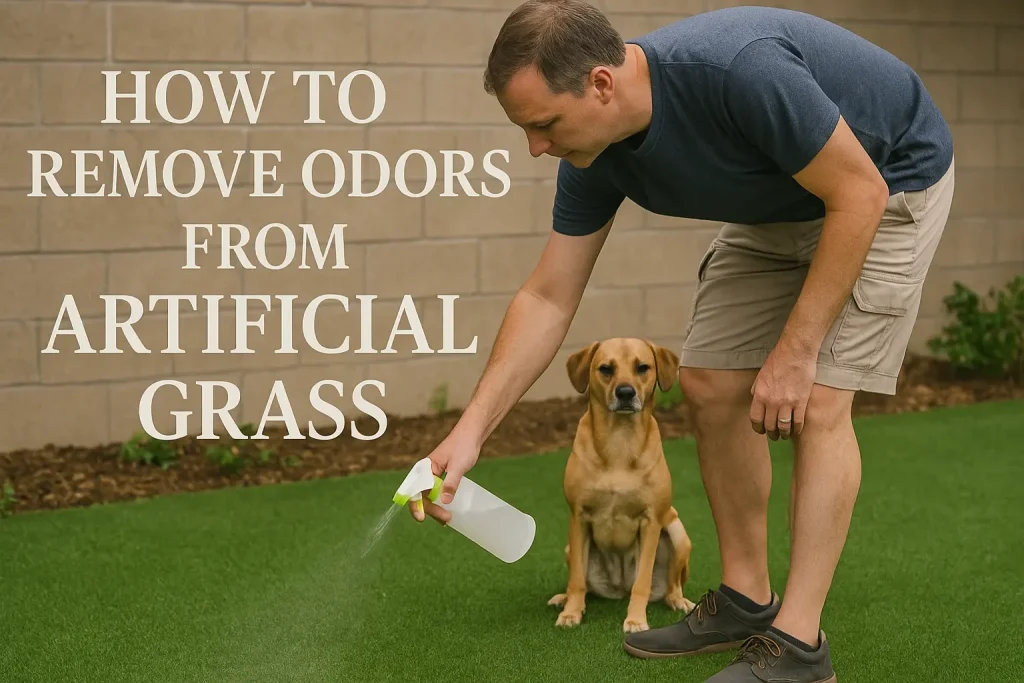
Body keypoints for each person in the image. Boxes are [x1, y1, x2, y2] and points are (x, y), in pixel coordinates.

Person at [408, 1, 954, 681]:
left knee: (815, 399)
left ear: (600, 84)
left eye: (544, 125)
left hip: (884, 180)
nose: (536, 148)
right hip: (784, 198)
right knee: (710, 381)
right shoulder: (593, 156)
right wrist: (470, 433)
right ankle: (748, 599)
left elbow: (857, 194)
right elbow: (549, 295)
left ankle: (799, 647)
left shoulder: (738, 70)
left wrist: (795, 351)